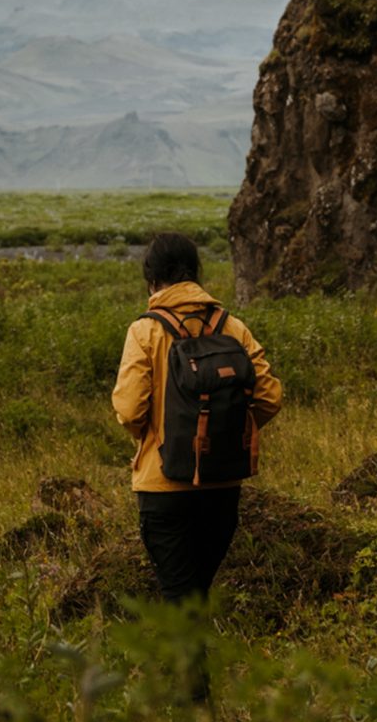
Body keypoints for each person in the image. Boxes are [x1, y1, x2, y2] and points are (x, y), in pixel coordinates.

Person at [111, 231, 282, 606]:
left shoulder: (144, 330)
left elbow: (128, 410)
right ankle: (192, 663)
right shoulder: (232, 327)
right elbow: (270, 397)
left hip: (163, 488)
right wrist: (227, 431)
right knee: (195, 596)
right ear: (195, 274)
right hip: (222, 485)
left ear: (152, 279)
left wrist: (154, 439)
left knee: (179, 600)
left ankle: (188, 666)